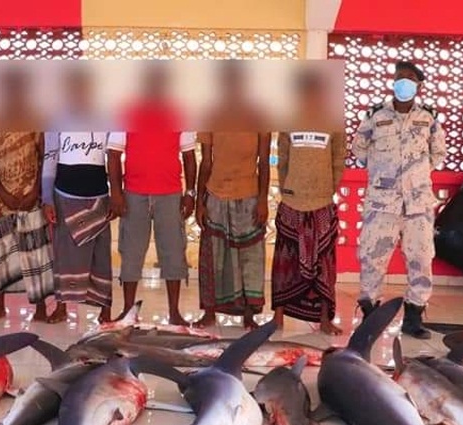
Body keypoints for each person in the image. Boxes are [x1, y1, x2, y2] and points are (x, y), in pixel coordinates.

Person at [350, 60, 447, 339]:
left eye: (408, 78)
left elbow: (437, 154)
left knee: (421, 258)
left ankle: (413, 318)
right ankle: (370, 317)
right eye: (398, 77)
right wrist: (383, 171)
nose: (402, 82)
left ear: (418, 85)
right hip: (382, 202)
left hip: (418, 204)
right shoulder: (375, 115)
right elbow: (360, 147)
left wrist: (415, 176)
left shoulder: (428, 118)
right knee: (372, 258)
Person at [107, 64, 198, 325]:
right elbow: (113, 154)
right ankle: (128, 311)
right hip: (133, 194)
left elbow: (190, 157)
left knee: (173, 253)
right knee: (131, 253)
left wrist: (189, 192)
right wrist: (117, 193)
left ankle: (174, 312)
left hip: (170, 195)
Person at [194, 62, 271, 330]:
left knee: (250, 256)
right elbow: (205, 162)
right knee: (214, 256)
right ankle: (209, 313)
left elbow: (263, 162)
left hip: (248, 194)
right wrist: (198, 202)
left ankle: (249, 314)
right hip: (216, 193)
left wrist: (263, 199)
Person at [0, 69, 61, 322]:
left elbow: (44, 156)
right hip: (2, 200)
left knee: (36, 254)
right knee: (3, 254)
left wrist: (36, 191)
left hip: (30, 198)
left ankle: (40, 309)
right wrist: (2, 193)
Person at [271, 70, 346, 335]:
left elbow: (339, 159)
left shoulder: (334, 122)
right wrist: (286, 189)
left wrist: (329, 189)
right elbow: (282, 158)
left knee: (323, 263)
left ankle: (325, 319)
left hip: (322, 202)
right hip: (292, 200)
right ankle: (278, 318)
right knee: (284, 261)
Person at [42, 69, 113, 324]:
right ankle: (62, 308)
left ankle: (105, 310)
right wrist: (47, 199)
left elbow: (114, 156)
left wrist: (116, 194)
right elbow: (50, 159)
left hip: (98, 195)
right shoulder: (56, 119)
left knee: (100, 255)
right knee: (64, 253)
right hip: (64, 194)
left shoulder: (107, 117)